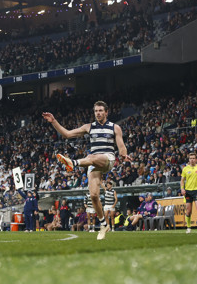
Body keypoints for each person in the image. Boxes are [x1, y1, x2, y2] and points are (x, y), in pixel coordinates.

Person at [43, 101, 132, 240]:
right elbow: (67, 134)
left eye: (101, 110)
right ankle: (103, 225)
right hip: (92, 162)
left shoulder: (115, 128)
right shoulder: (88, 127)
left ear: (106, 112)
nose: (98, 113)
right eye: (96, 110)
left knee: (91, 156)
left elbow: (121, 145)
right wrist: (53, 121)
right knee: (94, 196)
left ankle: (73, 162)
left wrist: (124, 154)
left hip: (107, 159)